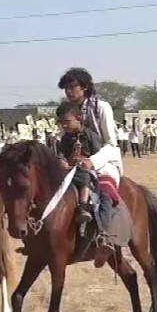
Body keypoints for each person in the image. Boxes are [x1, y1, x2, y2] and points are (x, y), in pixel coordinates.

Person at [59, 67, 123, 265]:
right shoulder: (67, 111)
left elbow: (111, 144)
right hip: (74, 163)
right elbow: (63, 140)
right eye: (66, 88)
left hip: (104, 161)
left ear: (85, 87)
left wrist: (92, 161)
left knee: (104, 189)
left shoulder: (101, 108)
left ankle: (103, 236)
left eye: (73, 87)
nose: (69, 92)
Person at [56, 101, 103, 226]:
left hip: (85, 169)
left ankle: (83, 206)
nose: (64, 125)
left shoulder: (90, 135)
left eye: (67, 121)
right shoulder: (65, 138)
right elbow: (61, 153)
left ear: (79, 118)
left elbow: (98, 153)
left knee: (84, 175)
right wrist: (62, 160)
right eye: (61, 122)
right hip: (68, 169)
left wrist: (86, 160)